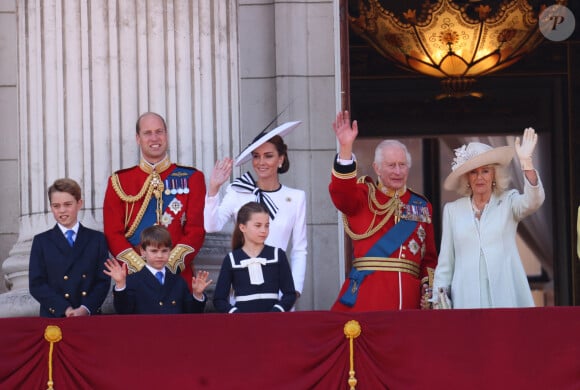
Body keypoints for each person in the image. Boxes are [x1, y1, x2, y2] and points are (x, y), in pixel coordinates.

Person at [329, 111, 438, 312]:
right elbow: (340, 193)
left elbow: (429, 259)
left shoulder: (422, 206)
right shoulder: (362, 196)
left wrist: (427, 290)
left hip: (409, 302)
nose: (398, 171)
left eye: (402, 165)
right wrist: (345, 149)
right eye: (391, 165)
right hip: (368, 298)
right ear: (377, 168)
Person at [432, 128, 545, 309]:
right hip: (466, 301)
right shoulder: (452, 210)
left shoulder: (508, 201)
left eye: (485, 171)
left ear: (494, 175)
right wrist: (439, 299)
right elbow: (446, 262)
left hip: (504, 297)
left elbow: (533, 201)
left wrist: (527, 163)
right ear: (467, 178)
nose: (479, 178)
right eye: (473, 172)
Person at [204, 121, 307, 301]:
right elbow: (211, 226)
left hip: (280, 288)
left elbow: (299, 249)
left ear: (281, 159)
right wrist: (213, 189)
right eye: (256, 156)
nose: (261, 162)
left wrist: (294, 290)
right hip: (243, 287)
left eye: (268, 156)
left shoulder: (296, 197)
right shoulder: (238, 191)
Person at [103, 112, 206, 289]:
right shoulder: (119, 181)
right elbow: (113, 234)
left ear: (166, 135)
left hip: (178, 279)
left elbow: (196, 230)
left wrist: (168, 266)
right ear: (138, 138)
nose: (154, 138)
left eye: (159, 131)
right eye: (147, 133)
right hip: (136, 280)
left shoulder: (192, 178)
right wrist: (141, 269)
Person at [29, 178, 111, 317]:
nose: (62, 210)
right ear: (51, 207)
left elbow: (102, 281)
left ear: (79, 203)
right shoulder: (41, 241)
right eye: (56, 206)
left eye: (68, 204)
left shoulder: (97, 239)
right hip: (55, 316)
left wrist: (86, 308)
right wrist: (64, 309)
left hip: (89, 316)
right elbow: (37, 284)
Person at [103, 225, 211, 314]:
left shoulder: (179, 282)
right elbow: (123, 312)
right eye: (154, 251)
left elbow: (191, 315)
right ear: (143, 252)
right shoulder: (132, 281)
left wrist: (197, 294)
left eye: (164, 251)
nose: (160, 255)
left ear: (170, 251)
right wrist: (120, 285)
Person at [213, 202, 297, 313]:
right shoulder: (231, 259)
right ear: (242, 227)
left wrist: (277, 311)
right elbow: (219, 299)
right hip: (243, 324)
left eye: (267, 225)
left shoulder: (277, 255)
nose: (264, 230)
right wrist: (236, 313)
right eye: (258, 225)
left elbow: (290, 294)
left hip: (273, 323)